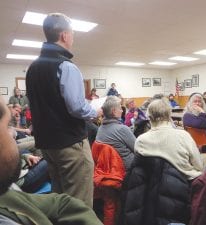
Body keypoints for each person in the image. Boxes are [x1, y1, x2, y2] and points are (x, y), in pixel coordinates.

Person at [26, 13, 101, 207]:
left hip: (47, 145)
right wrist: (95, 112)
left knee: (60, 199)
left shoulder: (33, 68)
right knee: (79, 206)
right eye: (73, 34)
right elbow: (77, 108)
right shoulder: (66, 66)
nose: (73, 38)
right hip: (70, 145)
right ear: (65, 36)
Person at [0, 96, 103, 225]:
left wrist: (25, 156)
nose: (13, 141)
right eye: (6, 127)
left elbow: (60, 204)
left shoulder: (7, 193)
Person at [135, 98, 204, 180]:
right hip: (184, 183)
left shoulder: (140, 140)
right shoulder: (184, 135)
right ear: (169, 115)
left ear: (149, 117)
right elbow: (199, 166)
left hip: (152, 185)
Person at [96, 96, 136, 172]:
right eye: (120, 108)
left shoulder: (100, 128)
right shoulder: (122, 129)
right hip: (125, 168)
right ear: (114, 111)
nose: (122, 111)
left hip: (108, 168)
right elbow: (138, 150)